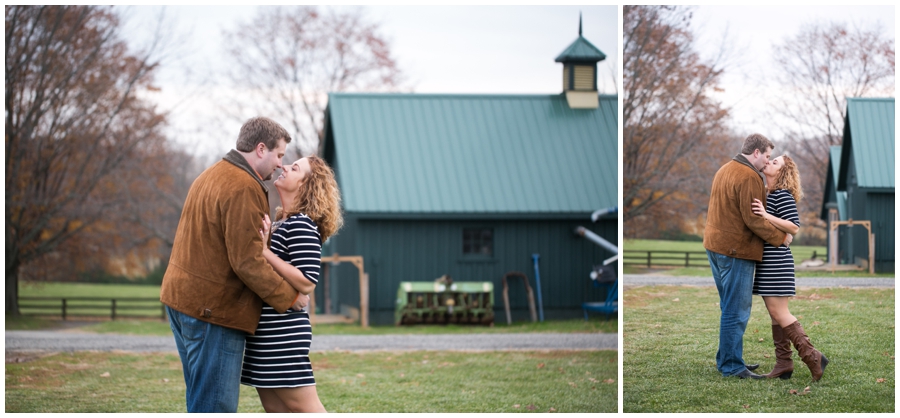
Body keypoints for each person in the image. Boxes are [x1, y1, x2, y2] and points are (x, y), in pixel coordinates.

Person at [160, 117, 309, 412]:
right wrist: (290, 297)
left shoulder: (211, 174)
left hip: (182, 301)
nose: (281, 164)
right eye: (279, 155)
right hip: (213, 310)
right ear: (261, 148)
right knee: (216, 406)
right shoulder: (244, 186)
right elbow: (247, 261)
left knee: (200, 399)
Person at [241, 155, 344, 413]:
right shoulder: (280, 223)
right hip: (264, 335)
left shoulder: (301, 224)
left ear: (306, 184)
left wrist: (265, 253)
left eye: (294, 167)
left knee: (308, 410)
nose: (284, 166)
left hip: (283, 337)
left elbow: (307, 282)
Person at [703, 133, 793, 379]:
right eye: (766, 155)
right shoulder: (749, 176)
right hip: (736, 251)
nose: (767, 161)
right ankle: (732, 367)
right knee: (737, 310)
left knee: (728, 307)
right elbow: (753, 218)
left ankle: (729, 359)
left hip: (715, 247)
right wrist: (781, 238)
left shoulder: (725, 169)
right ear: (756, 152)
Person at [751, 155, 829, 381]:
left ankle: (814, 357)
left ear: (782, 173)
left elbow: (793, 226)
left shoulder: (782, 195)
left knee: (779, 312)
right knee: (775, 315)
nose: (769, 163)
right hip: (770, 260)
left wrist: (765, 215)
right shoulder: (770, 194)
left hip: (776, 261)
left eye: (775, 162)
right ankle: (784, 364)